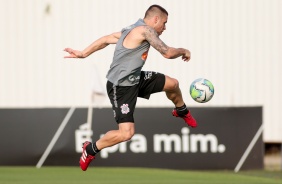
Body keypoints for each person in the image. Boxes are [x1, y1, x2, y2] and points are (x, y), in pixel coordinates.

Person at [64, 4, 197, 171]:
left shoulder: (131, 29)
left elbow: (107, 38)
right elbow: (167, 53)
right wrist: (184, 50)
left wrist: (84, 53)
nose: (165, 27)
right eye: (164, 23)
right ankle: (90, 149)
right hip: (120, 87)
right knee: (126, 134)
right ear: (155, 19)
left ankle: (181, 110)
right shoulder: (145, 31)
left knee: (173, 84)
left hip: (135, 79)